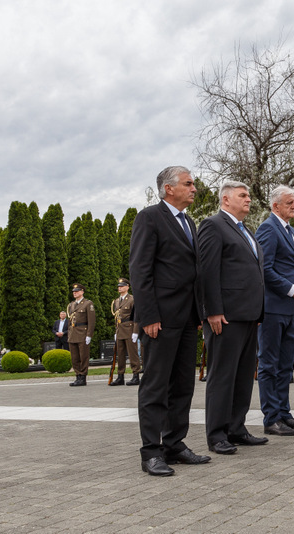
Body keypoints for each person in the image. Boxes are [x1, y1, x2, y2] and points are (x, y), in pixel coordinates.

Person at [130, 165, 211, 476]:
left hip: (187, 317)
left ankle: (174, 444)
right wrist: (148, 315)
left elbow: (194, 272)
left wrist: (199, 313)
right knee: (155, 385)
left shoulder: (188, 222)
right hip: (160, 319)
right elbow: (140, 270)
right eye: (188, 183)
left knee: (182, 385)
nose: (194, 188)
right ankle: (151, 452)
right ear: (169, 188)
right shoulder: (149, 217)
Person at [197, 181, 269, 455]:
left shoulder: (245, 230)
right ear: (226, 200)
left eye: (249, 195)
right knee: (223, 376)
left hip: (249, 315)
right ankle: (217, 435)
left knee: (242, 376)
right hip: (225, 316)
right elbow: (207, 270)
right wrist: (212, 310)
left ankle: (236, 428)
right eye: (242, 195)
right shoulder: (213, 225)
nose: (248, 199)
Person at [255, 185, 294, 436]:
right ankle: (271, 418)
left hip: (291, 309)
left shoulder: (292, 232)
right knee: (269, 364)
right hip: (273, 307)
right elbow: (264, 268)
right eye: (289, 202)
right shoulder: (268, 228)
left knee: (286, 364)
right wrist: (291, 289)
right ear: (275, 205)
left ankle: (284, 413)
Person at [109, 278, 142, 386]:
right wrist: (116, 331)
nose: (120, 288)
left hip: (129, 329)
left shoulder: (132, 299)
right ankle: (120, 376)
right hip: (120, 329)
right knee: (120, 354)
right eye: (119, 286)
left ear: (127, 287)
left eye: (122, 286)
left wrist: (135, 332)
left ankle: (136, 375)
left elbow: (136, 316)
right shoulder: (116, 301)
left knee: (133, 354)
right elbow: (117, 317)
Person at [66, 283, 95, 387]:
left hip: (83, 333)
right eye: (74, 292)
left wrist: (89, 335)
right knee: (74, 357)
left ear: (82, 292)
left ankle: (83, 377)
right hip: (73, 333)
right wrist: (69, 333)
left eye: (77, 291)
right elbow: (70, 321)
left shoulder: (88, 304)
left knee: (83, 356)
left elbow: (91, 321)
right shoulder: (71, 305)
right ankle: (77, 375)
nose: (75, 293)